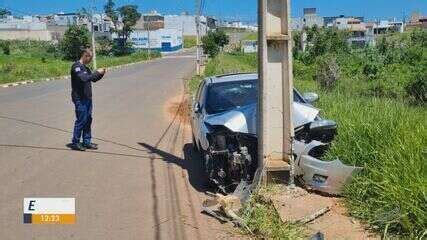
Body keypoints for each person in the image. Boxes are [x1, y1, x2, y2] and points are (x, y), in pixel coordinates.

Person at [69, 47, 106, 151]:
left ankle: (86, 141)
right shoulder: (77, 67)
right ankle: (75, 142)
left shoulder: (86, 68)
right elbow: (84, 78)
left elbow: (92, 79)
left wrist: (101, 74)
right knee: (81, 120)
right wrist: (97, 72)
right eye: (90, 58)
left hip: (88, 98)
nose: (90, 60)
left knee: (88, 120)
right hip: (80, 99)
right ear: (85, 56)